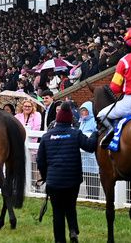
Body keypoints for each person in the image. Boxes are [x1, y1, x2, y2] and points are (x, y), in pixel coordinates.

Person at [37, 102, 98, 243]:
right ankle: (73, 231)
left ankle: (60, 240)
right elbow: (89, 146)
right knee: (70, 206)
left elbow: (40, 161)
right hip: (72, 181)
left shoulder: (47, 137)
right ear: (71, 119)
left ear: (57, 119)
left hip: (54, 182)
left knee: (57, 213)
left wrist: (47, 177)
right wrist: (95, 133)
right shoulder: (75, 133)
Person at [77, 101, 99, 199]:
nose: (83, 113)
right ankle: (87, 197)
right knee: (85, 177)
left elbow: (96, 134)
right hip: (82, 157)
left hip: (91, 156)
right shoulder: (81, 122)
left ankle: (93, 197)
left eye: (85, 111)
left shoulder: (94, 121)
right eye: (81, 111)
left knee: (92, 178)